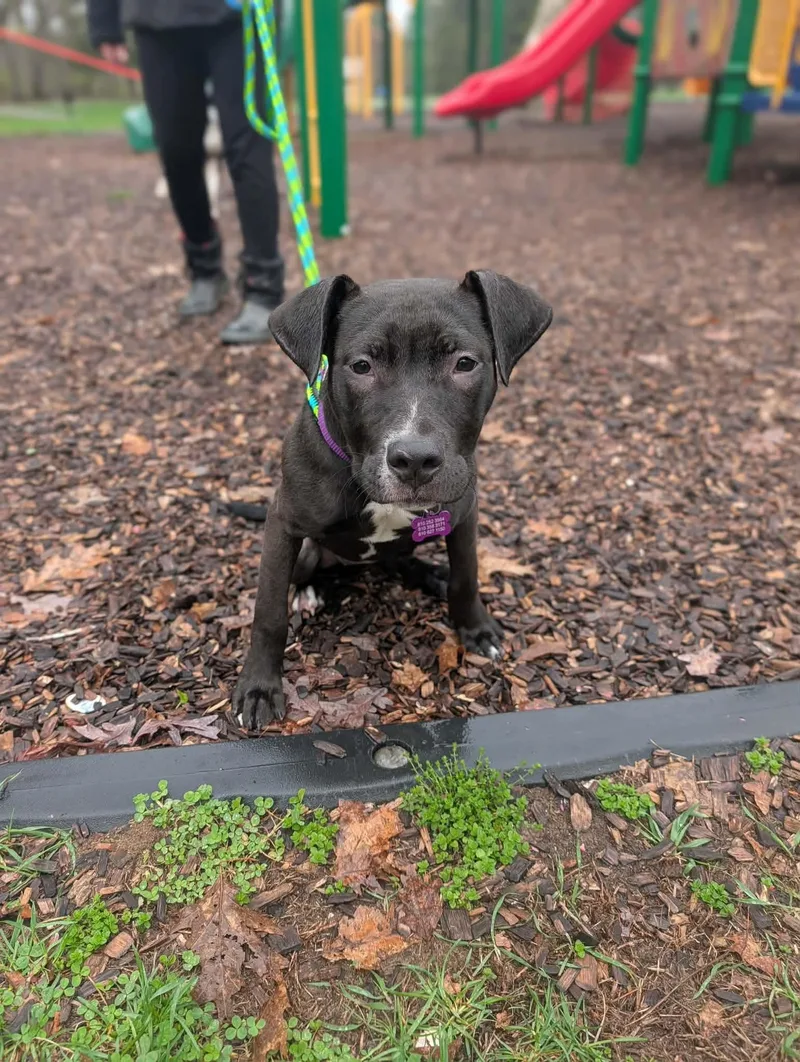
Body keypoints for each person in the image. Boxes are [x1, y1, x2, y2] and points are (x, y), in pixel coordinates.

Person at [88, 0, 284, 344]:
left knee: (248, 148)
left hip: (238, 17)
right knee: (177, 151)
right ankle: (204, 266)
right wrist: (105, 22)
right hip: (158, 19)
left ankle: (263, 285)